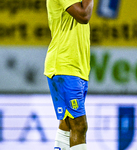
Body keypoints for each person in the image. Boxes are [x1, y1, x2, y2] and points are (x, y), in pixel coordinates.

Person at [44, 0, 93, 150]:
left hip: (75, 68)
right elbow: (84, 15)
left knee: (67, 125)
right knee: (79, 126)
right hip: (65, 67)